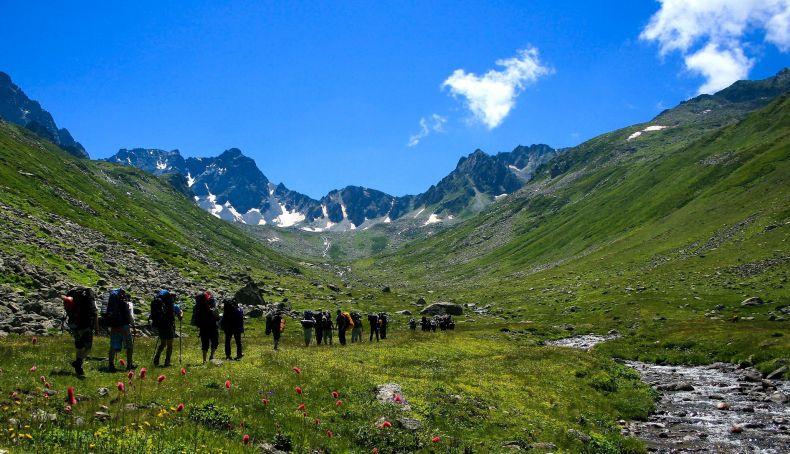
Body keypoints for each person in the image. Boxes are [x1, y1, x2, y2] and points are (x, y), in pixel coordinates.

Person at [63, 287, 98, 377]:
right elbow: (95, 313)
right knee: (88, 348)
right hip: (85, 326)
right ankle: (78, 363)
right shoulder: (89, 298)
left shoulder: (73, 295)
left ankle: (79, 368)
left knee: (79, 347)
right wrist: (96, 328)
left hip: (74, 325)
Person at [106, 288, 135, 371]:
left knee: (113, 346)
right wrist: (133, 327)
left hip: (114, 326)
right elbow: (131, 317)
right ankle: (129, 364)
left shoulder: (112, 303)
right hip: (124, 327)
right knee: (129, 345)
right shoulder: (127, 303)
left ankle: (111, 365)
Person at [152, 289, 182, 367]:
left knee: (162, 344)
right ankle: (167, 361)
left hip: (161, 326)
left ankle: (156, 358)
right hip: (169, 326)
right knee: (169, 345)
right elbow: (180, 317)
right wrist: (182, 313)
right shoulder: (174, 306)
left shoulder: (160, 304)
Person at [194, 291, 219, 364]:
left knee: (205, 343)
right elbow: (216, 317)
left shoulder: (199, 306)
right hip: (212, 326)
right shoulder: (210, 305)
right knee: (215, 342)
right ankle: (211, 356)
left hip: (203, 327)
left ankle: (204, 360)